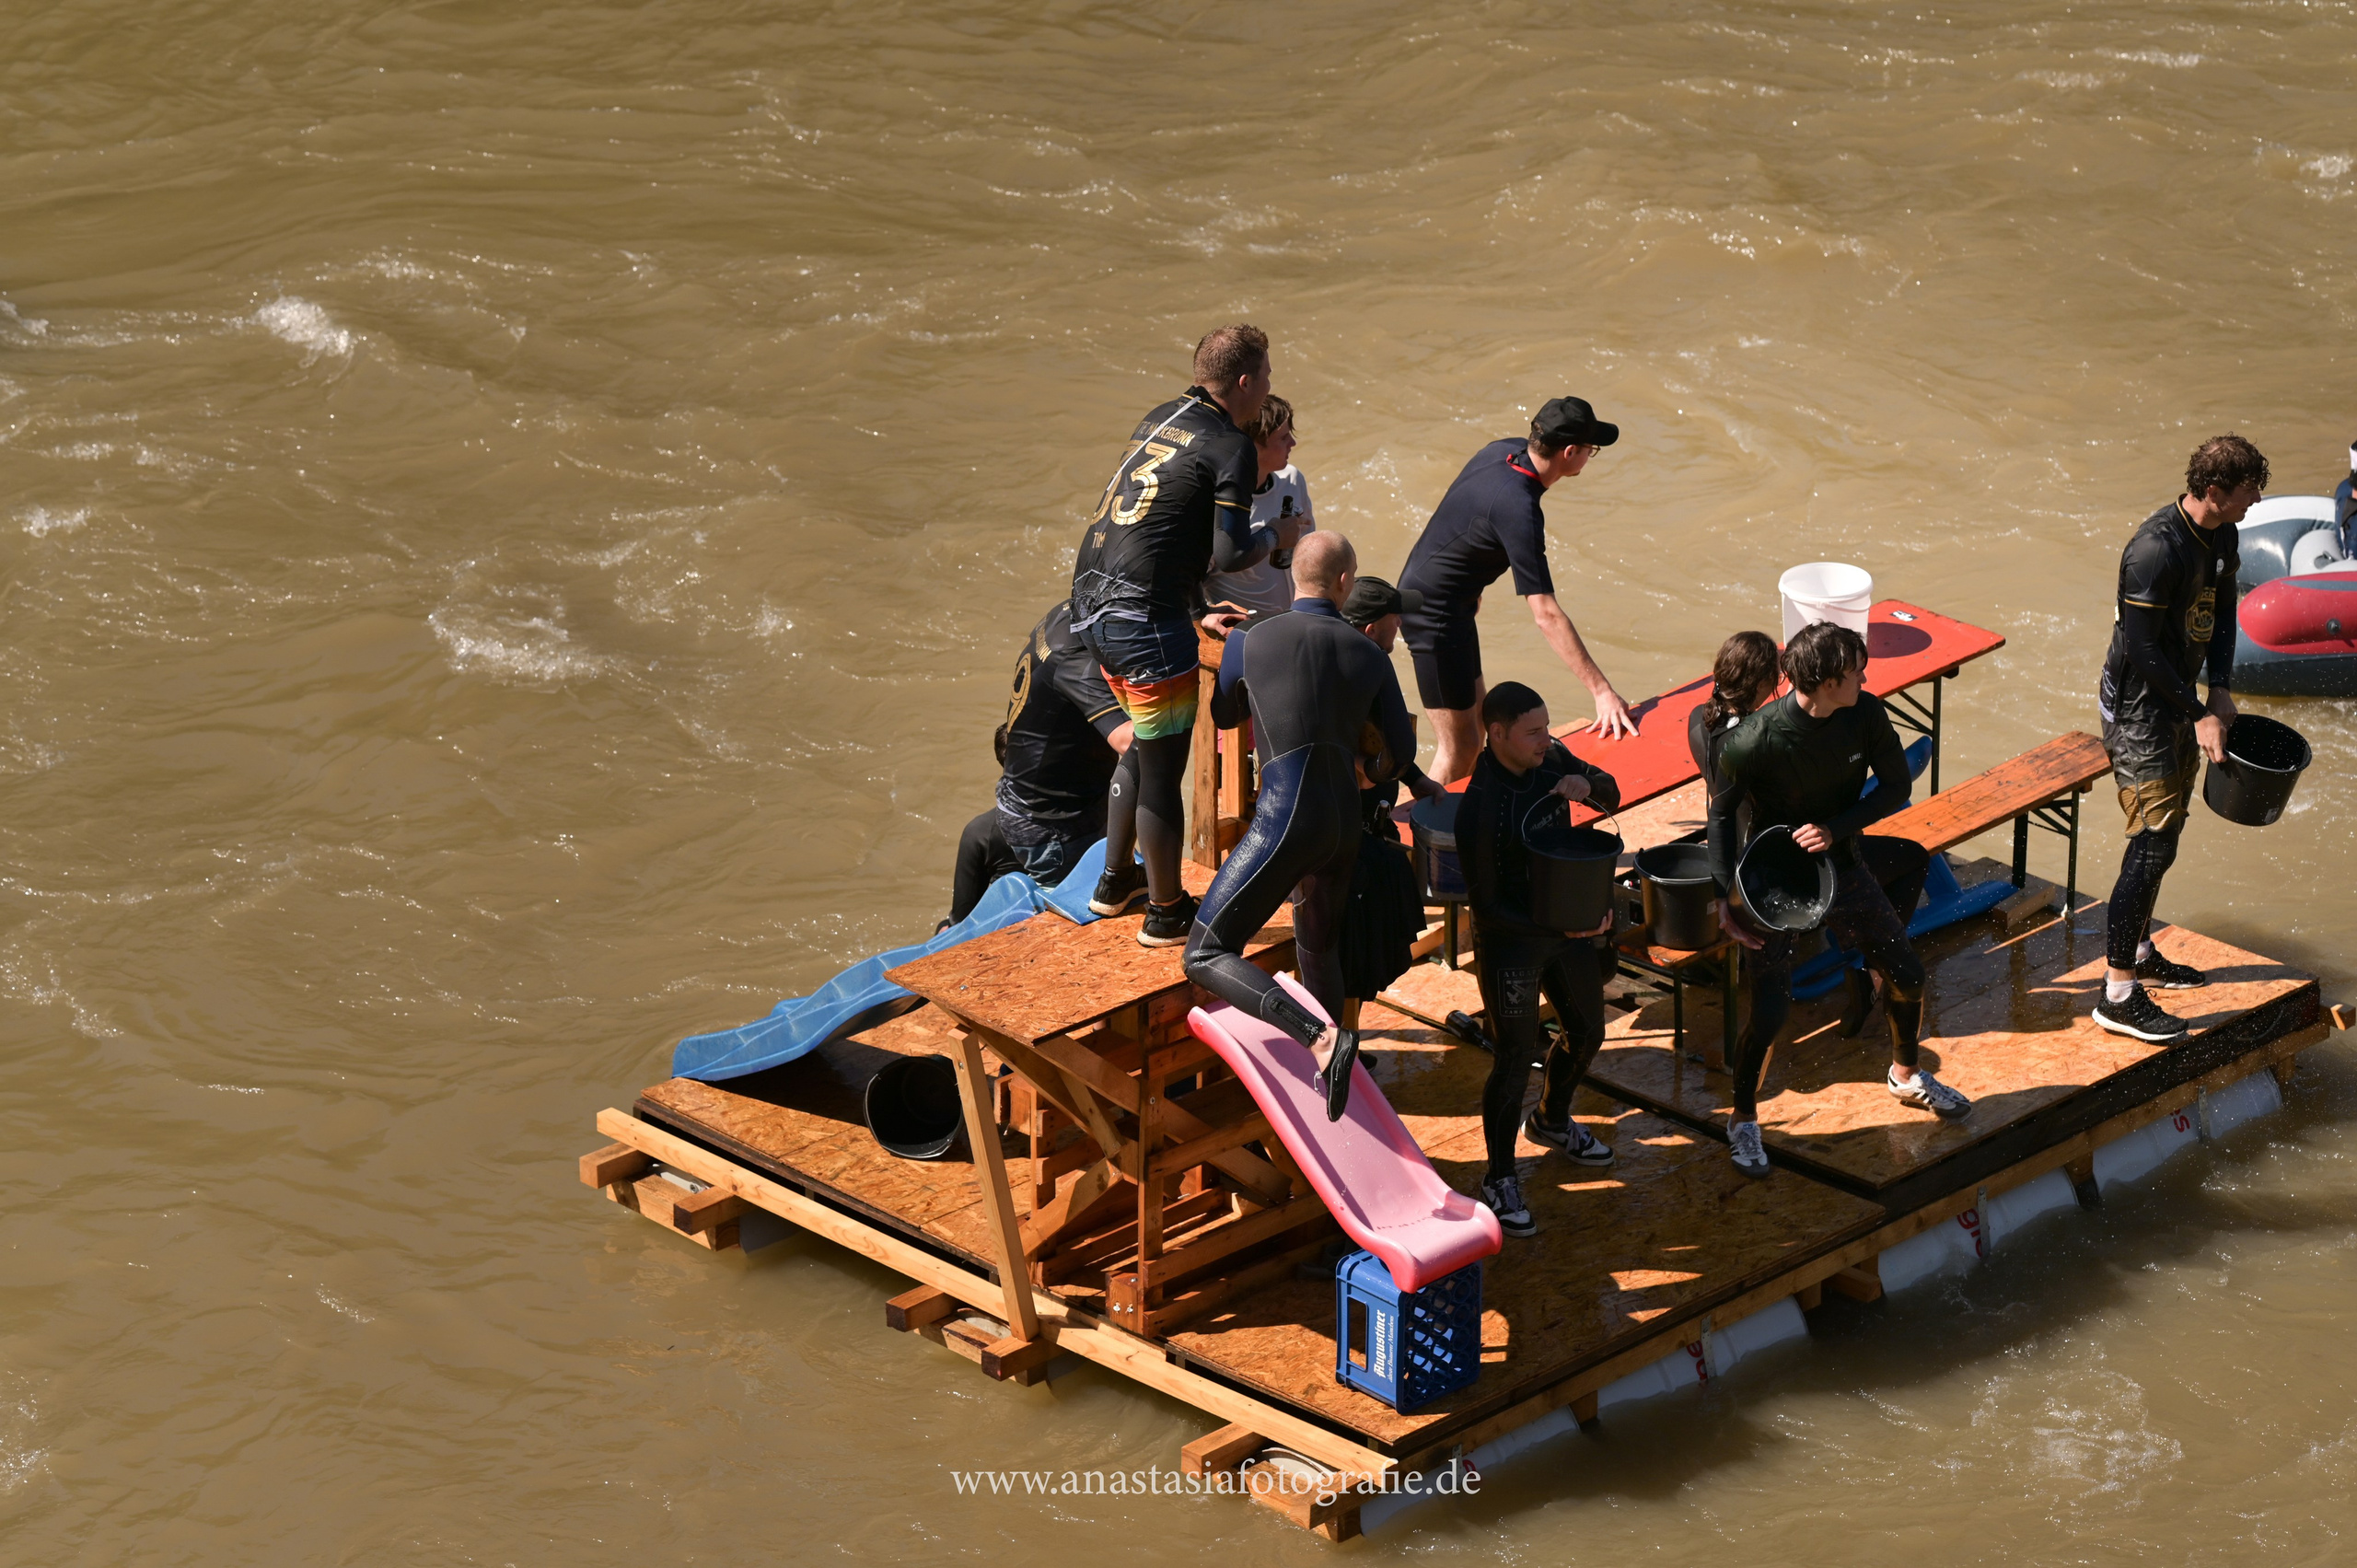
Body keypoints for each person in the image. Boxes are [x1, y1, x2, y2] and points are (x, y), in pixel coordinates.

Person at [1709, 621, 1968, 1179]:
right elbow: (1720, 816)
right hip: (1772, 883)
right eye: (1856, 671)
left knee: (1908, 972)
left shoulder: (1866, 714)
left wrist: (1836, 827)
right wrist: (1725, 898)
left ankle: (1905, 1074)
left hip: (1843, 866)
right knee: (1772, 1009)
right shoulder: (1753, 739)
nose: (1866, 677)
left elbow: (1897, 787)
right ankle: (1743, 1118)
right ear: (1826, 682)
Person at [1183, 533, 1419, 1121]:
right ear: (1344, 583)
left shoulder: (1249, 638)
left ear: (1294, 578)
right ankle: (1334, 1078)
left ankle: (1321, 1039)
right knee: (1319, 947)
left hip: (1284, 819)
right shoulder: (1369, 654)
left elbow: (1225, 714)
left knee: (1205, 953)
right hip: (1344, 825)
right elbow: (1400, 752)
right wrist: (1367, 768)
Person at [1072, 325, 1281, 946]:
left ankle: (1115, 883)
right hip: (1144, 622)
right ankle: (1164, 914)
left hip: (1089, 603)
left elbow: (1156, 520)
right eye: (1266, 376)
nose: (1270, 388)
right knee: (1163, 771)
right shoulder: (1232, 446)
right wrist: (1278, 541)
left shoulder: (1162, 415)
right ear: (1244, 382)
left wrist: (1192, 603)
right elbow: (1229, 550)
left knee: (1143, 743)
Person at [2093, 435, 2268, 1041]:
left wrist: (2219, 689)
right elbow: (2141, 650)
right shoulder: (2154, 550)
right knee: (2151, 839)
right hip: (2139, 708)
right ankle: (2116, 994)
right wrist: (2198, 711)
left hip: (2184, 700)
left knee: (2167, 838)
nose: (2255, 503)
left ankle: (2140, 952)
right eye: (2248, 493)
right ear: (2214, 492)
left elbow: (2220, 613)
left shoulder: (2223, 535)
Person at [1688, 631, 1929, 1047]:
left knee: (1769, 1010)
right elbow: (1724, 813)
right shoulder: (1754, 738)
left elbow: (1719, 812)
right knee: (1914, 858)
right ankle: (1871, 970)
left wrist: (1724, 895)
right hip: (1788, 864)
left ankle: (1864, 964)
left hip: (1758, 871)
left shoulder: (1702, 722)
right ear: (1770, 684)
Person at [1398, 397, 1639, 784]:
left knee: (1476, 735)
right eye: (1591, 451)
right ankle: (1421, 839)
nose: (1590, 458)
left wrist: (1468, 583)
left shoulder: (1503, 450)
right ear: (1570, 452)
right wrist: (1602, 692)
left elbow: (1463, 515)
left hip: (1447, 601)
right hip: (1432, 615)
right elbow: (1545, 613)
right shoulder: (1520, 507)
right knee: (1458, 751)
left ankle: (1463, 828)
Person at [1457, 681, 1621, 1238]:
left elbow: (1612, 794)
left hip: (1563, 926)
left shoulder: (1550, 758)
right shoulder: (1480, 807)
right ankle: (1499, 1176)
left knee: (1588, 1029)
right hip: (1511, 939)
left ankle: (1551, 1119)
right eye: (1533, 731)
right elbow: (1488, 906)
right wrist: (1561, 926)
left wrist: (1588, 783)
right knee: (1514, 1053)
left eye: (1547, 728)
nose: (1545, 740)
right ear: (1496, 733)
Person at [944, 601, 1135, 927]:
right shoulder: (985, 834)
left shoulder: (1062, 618)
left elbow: (956, 920)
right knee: (1093, 925)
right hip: (1059, 833)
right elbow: (1128, 740)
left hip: (1063, 822)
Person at [1336, 576, 1446, 1017]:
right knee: (1350, 959)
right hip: (1344, 844)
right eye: (1393, 618)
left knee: (1364, 963)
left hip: (1372, 831)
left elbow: (1385, 739)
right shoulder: (1350, 673)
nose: (1401, 623)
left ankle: (1351, 1044)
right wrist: (1360, 769)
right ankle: (1339, 1052)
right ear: (1369, 630)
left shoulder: (1370, 662)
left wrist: (1415, 778)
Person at [1202, 395, 1314, 616]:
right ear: (1250, 447)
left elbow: (1309, 548)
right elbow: (1190, 581)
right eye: (1283, 438)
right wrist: (1205, 614)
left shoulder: (1292, 479)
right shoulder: (1217, 506)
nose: (1293, 443)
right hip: (1243, 634)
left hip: (1293, 621)